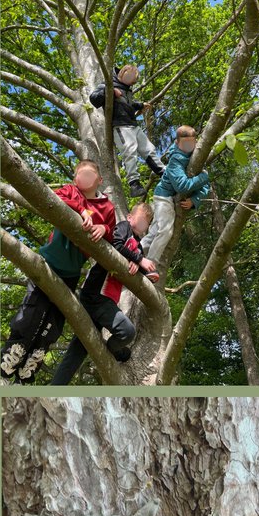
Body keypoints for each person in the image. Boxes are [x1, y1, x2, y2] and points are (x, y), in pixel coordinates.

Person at [0, 159, 116, 384]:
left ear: (99, 180)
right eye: (80, 175)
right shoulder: (71, 191)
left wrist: (104, 228)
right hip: (49, 264)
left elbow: (111, 236)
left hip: (71, 273)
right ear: (75, 178)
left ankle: (29, 369)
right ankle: (8, 363)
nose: (84, 179)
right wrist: (81, 210)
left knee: (52, 324)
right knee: (31, 315)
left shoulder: (108, 208)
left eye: (89, 174)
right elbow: (53, 198)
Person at [51, 204, 161, 384]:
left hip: (106, 300)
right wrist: (138, 259)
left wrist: (141, 267)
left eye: (146, 223)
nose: (143, 226)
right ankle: (115, 350)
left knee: (77, 352)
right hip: (96, 295)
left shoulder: (138, 247)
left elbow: (136, 270)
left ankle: (56, 386)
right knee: (127, 332)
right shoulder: (124, 227)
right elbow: (116, 245)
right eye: (140, 220)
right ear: (129, 217)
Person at [89, 64, 164, 200]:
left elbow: (127, 104)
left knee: (148, 149)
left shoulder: (127, 90)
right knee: (130, 150)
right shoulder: (109, 83)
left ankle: (163, 173)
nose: (131, 82)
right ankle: (134, 183)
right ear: (123, 73)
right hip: (120, 126)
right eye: (130, 78)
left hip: (133, 124)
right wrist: (109, 91)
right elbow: (94, 98)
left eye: (133, 81)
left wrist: (140, 105)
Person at [144, 125, 211, 265]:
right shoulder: (175, 159)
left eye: (191, 142)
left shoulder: (196, 157)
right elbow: (182, 186)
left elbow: (205, 186)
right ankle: (150, 263)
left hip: (168, 199)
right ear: (177, 142)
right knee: (165, 230)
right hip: (163, 197)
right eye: (185, 143)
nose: (188, 146)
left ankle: (135, 251)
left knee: (155, 231)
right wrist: (204, 177)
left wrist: (195, 200)